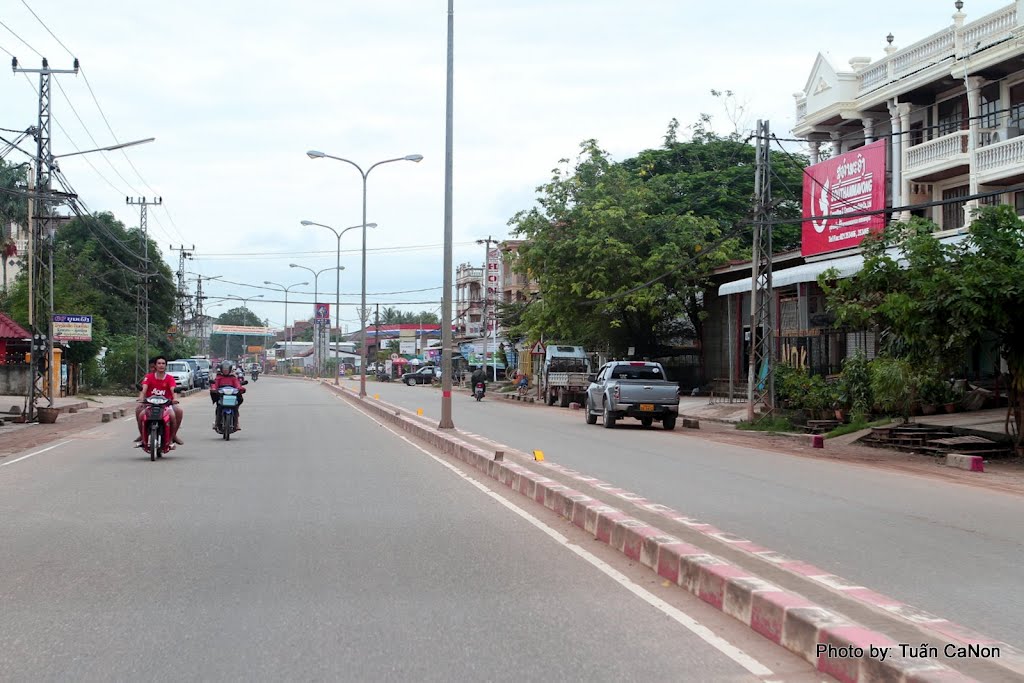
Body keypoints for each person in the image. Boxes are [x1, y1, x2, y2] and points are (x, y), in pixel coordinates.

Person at [137, 356, 184, 447]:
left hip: (166, 405)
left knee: (177, 412)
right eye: (159, 363)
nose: (161, 365)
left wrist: (174, 399)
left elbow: (173, 390)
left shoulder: (170, 378)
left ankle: (172, 437)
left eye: (163, 363)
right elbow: (143, 389)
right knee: (140, 413)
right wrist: (141, 398)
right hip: (150, 404)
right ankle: (143, 437)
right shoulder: (149, 377)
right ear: (155, 365)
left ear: (166, 366)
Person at [210, 360, 245, 431]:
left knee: (236, 407)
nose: (225, 371)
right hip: (221, 396)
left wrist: (241, 388)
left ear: (230, 369)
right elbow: (215, 384)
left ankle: (237, 423)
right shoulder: (218, 377)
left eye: (227, 369)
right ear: (221, 369)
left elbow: (237, 385)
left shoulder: (233, 377)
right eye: (224, 369)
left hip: (232, 396)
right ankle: (217, 422)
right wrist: (213, 388)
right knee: (219, 407)